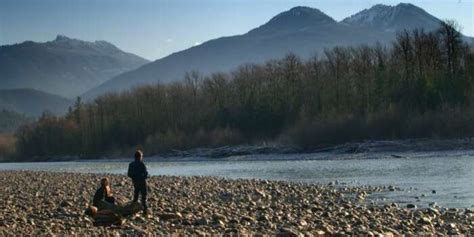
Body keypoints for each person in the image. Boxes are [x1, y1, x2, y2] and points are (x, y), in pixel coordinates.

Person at [128, 149, 149, 214]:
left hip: (135, 182)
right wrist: (143, 177)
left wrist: (134, 177)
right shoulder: (142, 164)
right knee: (143, 197)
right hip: (142, 182)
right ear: (140, 157)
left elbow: (129, 174)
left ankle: (132, 210)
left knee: (136, 196)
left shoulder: (131, 164)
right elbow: (145, 173)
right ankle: (145, 211)